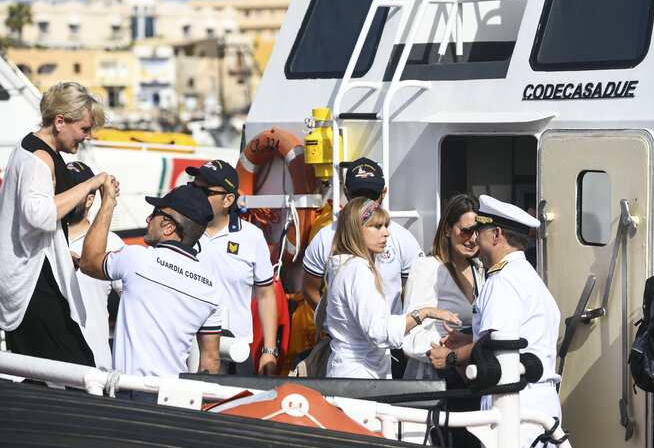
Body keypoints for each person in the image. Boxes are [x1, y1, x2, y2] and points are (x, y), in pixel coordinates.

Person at [428, 195, 562, 448]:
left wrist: (451, 357)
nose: (474, 238)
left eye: (479, 231)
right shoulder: (527, 276)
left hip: (515, 403)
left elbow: (498, 344)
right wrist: (465, 339)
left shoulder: (503, 280)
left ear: (496, 234)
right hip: (536, 401)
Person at [0, 81, 113, 367]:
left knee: (43, 373)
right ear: (60, 122)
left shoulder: (33, 150)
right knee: (78, 369)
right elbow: (38, 216)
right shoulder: (38, 159)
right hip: (30, 288)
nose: (87, 137)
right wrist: (91, 183)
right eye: (84, 129)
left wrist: (61, 256)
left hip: (32, 277)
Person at [80, 184, 223, 400]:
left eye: (155, 214)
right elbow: (211, 361)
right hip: (176, 398)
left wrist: (108, 203)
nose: (148, 219)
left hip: (130, 393)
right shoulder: (211, 287)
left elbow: (88, 262)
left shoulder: (137, 258)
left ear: (169, 227)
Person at [302, 157, 423, 377]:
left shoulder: (401, 239)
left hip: (386, 350)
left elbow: (416, 291)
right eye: (359, 196)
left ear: (383, 193)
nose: (365, 203)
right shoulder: (330, 245)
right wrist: (340, 326)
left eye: (372, 196)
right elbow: (310, 289)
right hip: (357, 356)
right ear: (346, 193)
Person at [324, 197, 461, 379]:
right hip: (359, 377)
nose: (386, 233)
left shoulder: (341, 265)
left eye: (386, 226)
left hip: (351, 372)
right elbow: (378, 332)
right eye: (378, 226)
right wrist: (425, 312)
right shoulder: (357, 270)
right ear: (356, 230)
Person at [186, 160, 279, 375]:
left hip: (234, 350)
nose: (196, 195)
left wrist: (269, 351)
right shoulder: (181, 229)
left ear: (228, 199)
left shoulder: (252, 237)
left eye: (205, 191)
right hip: (184, 346)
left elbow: (265, 295)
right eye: (194, 188)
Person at [402, 193, 484, 380]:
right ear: (447, 229)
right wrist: (446, 350)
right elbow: (411, 331)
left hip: (471, 374)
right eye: (465, 231)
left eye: (478, 232)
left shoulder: (480, 269)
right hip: (435, 377)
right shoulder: (427, 267)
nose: (472, 239)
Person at [66, 161, 124, 370]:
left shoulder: (113, 242)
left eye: (73, 189)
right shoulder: (37, 239)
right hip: (41, 365)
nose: (65, 194)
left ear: (91, 199)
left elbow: (132, 305)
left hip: (94, 366)